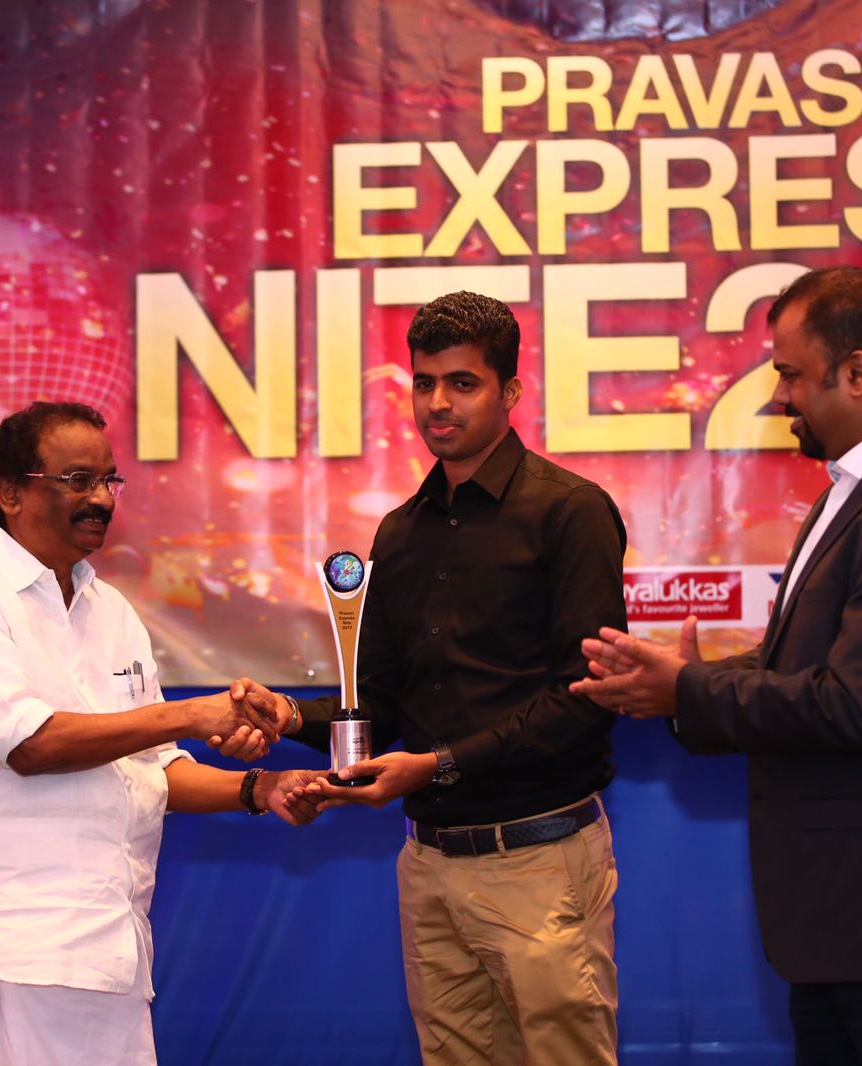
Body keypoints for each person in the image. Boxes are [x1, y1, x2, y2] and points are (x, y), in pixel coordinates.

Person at [572, 266, 862, 1066]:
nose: (780, 396)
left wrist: (688, 691)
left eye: (789, 373)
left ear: (858, 372)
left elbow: (859, 705)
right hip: (853, 920)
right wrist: (689, 682)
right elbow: (810, 665)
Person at [241, 291, 629, 1065]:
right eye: (425, 383)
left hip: (539, 861)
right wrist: (289, 716)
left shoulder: (571, 512)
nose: (439, 403)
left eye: (463, 383)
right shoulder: (400, 532)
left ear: (510, 391)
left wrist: (436, 765)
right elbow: (383, 701)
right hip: (428, 866)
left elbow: (583, 701)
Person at [0, 401, 324, 1066]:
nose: (101, 498)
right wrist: (191, 713)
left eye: (108, 481)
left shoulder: (112, 611)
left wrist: (261, 787)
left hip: (116, 956)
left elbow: (151, 772)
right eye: (77, 480)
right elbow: (27, 745)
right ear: (10, 493)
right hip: (10, 952)